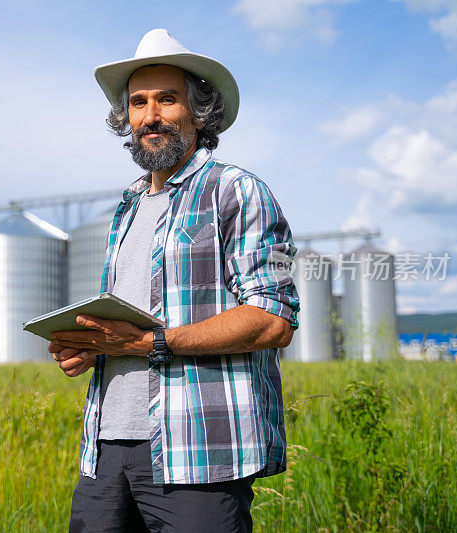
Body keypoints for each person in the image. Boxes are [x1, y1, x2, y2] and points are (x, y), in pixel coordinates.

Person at [50, 29, 300, 532]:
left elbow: (274, 320)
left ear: (198, 111)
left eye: (167, 98)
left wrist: (152, 343)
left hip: (199, 451)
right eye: (138, 103)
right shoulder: (126, 208)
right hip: (105, 450)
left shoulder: (239, 191)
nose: (150, 115)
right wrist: (92, 344)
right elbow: (133, 324)